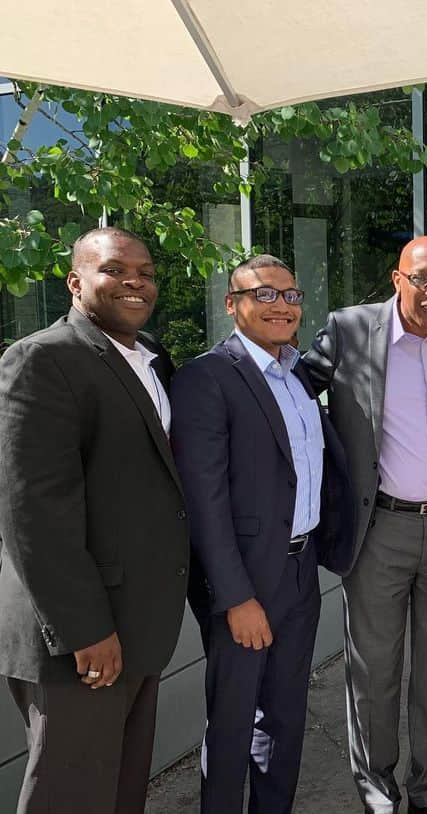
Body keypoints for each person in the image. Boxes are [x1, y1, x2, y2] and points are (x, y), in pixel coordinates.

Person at [304, 236, 427, 814]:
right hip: (378, 528)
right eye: (423, 279)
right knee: (373, 671)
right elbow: (287, 392)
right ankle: (377, 791)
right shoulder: (349, 330)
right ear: (397, 279)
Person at [0, 227, 189, 813]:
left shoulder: (151, 357)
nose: (135, 281)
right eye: (115, 269)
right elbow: (32, 510)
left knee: (119, 788)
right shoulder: (42, 358)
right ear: (75, 282)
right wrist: (85, 630)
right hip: (79, 638)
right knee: (70, 794)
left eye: (146, 271)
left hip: (138, 624)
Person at [170, 255, 357, 813]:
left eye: (291, 295)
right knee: (231, 722)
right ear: (233, 303)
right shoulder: (206, 377)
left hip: (300, 569)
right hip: (244, 581)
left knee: (285, 716)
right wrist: (235, 597)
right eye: (265, 294)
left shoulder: (299, 372)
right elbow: (204, 501)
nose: (281, 306)